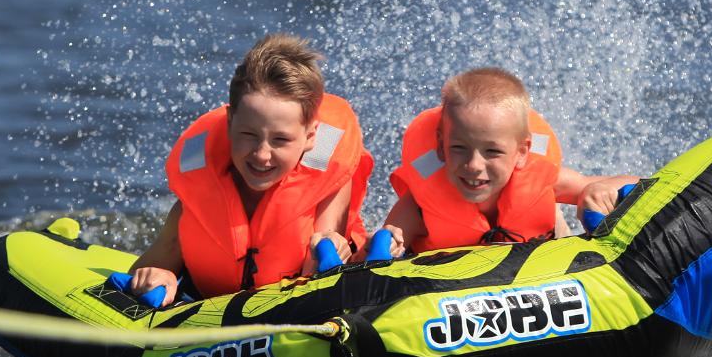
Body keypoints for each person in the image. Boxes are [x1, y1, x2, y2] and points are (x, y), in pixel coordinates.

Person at [126, 34, 372, 302]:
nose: (262, 155)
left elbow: (325, 275)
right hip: (203, 302)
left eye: (281, 140)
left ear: (310, 137)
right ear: (230, 121)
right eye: (248, 134)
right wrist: (157, 276)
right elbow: (148, 267)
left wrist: (332, 250)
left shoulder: (328, 180)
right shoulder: (202, 184)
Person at [373, 67, 636, 256]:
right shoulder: (418, 206)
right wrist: (391, 242)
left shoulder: (545, 181)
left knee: (554, 210)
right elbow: (386, 244)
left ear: (522, 152)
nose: (474, 164)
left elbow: (639, 182)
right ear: (441, 147)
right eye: (459, 148)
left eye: (492, 152)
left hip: (541, 265)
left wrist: (598, 191)